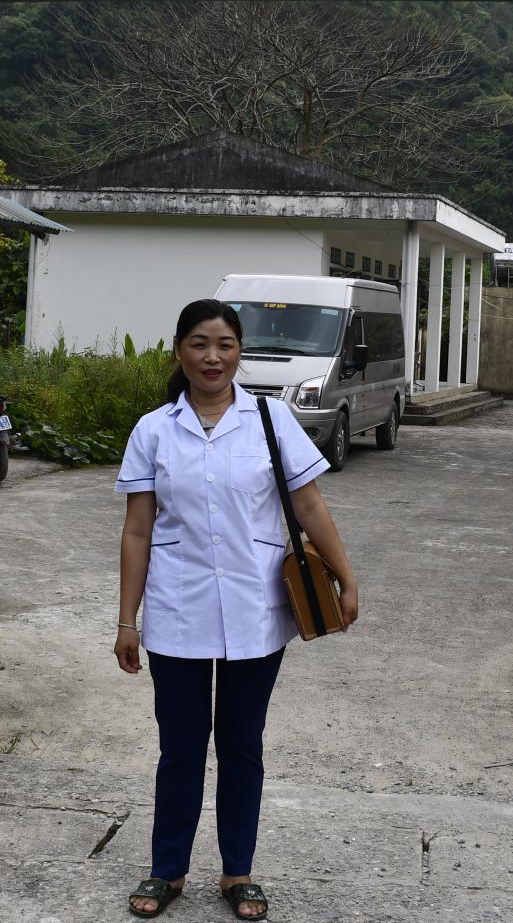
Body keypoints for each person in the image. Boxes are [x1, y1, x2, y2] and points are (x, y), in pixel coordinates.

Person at [113, 299, 361, 920]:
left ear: (239, 353)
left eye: (224, 344)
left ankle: (237, 873)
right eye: (199, 343)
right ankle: (167, 870)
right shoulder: (153, 430)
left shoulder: (271, 420)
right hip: (177, 613)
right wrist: (127, 619)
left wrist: (347, 579)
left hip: (257, 610)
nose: (212, 357)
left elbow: (309, 508)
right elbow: (138, 531)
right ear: (179, 351)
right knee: (181, 748)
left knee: (243, 745)